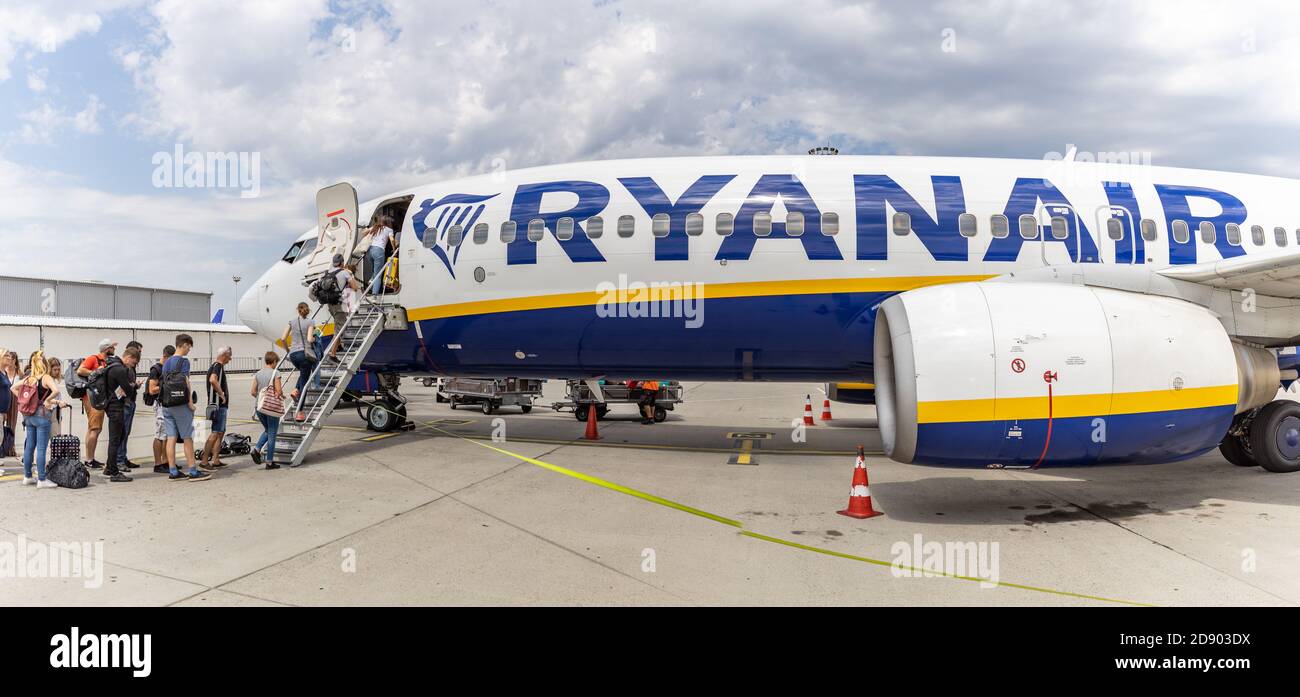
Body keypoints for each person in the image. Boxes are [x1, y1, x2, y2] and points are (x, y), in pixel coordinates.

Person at [161, 334, 210, 482]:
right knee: (188, 437)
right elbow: (186, 382)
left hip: (167, 403)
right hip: (180, 404)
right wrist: (190, 403)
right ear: (183, 345)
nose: (189, 349)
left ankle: (173, 470)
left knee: (171, 437)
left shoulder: (167, 362)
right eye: (189, 346)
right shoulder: (183, 361)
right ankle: (193, 471)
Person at [12, 351, 59, 488]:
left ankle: (27, 476)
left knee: (29, 447)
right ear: (44, 364)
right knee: (41, 448)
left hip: (28, 416)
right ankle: (42, 480)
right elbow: (55, 390)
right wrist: (47, 400)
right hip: (42, 415)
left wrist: (22, 400)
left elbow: (13, 387)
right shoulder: (45, 378)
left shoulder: (29, 378)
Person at [102, 345, 140, 483]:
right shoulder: (119, 369)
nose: (133, 366)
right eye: (134, 362)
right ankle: (114, 472)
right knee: (115, 439)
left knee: (120, 435)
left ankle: (109, 467)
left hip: (111, 404)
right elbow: (128, 390)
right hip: (116, 407)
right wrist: (133, 386)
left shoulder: (111, 365)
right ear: (129, 357)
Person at [77, 338, 115, 469]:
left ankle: (89, 458)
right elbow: (80, 370)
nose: (114, 349)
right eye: (112, 347)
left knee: (92, 428)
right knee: (95, 429)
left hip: (99, 397)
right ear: (106, 348)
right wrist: (95, 371)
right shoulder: (93, 358)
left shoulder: (107, 361)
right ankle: (89, 460)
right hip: (93, 398)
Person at [199, 346, 232, 471]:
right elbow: (213, 380)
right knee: (215, 432)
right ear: (224, 355)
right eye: (229, 355)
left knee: (220, 432)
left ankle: (216, 459)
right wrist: (221, 394)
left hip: (218, 405)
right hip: (218, 405)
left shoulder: (216, 366)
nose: (230, 358)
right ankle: (204, 461)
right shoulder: (217, 366)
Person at [283, 302, 317, 420]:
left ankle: (295, 390)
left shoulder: (292, 322)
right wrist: (314, 338)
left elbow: (283, 338)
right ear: (307, 310)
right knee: (305, 382)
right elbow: (309, 339)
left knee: (303, 374)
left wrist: (288, 351)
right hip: (304, 354)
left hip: (293, 355)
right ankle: (300, 412)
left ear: (297, 309)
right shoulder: (310, 322)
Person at [146, 345, 175, 474]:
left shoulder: (168, 369)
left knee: (167, 435)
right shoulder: (156, 369)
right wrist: (167, 386)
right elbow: (152, 390)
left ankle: (166, 461)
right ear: (165, 356)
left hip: (168, 404)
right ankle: (158, 463)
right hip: (160, 405)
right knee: (160, 435)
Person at [251, 351, 283, 469]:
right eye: (276, 362)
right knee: (272, 434)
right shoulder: (276, 372)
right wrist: (281, 396)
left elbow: (253, 391)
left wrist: (262, 399)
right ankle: (269, 462)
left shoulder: (258, 373)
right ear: (274, 361)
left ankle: (257, 449)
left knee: (268, 430)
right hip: (271, 408)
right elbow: (278, 391)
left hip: (259, 407)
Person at [115, 340, 143, 470]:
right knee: (123, 432)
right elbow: (122, 386)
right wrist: (134, 385)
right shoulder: (124, 368)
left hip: (130, 402)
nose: (140, 354)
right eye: (138, 352)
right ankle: (119, 460)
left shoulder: (130, 368)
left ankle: (123, 457)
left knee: (126, 432)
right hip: (125, 403)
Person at [366, 215, 396, 294]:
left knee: (375, 270)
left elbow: (363, 232)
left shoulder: (376, 227)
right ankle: (374, 295)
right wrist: (394, 249)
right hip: (379, 251)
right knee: (378, 275)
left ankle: (372, 279)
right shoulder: (389, 230)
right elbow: (392, 240)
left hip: (370, 251)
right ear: (388, 223)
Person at [0, 349, 16, 464]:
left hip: (3, 412)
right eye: (6, 355)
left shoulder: (4, 372)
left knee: (0, 437)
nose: (9, 358)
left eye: (10, 356)